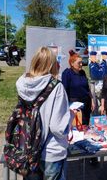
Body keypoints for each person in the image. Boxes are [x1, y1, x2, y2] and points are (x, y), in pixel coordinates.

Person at [16, 46, 74, 180]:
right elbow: (58, 128)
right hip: (51, 152)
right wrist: (70, 115)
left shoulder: (22, 83)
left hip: (28, 148)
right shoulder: (56, 87)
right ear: (52, 64)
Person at [62, 50, 95, 125]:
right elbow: (64, 91)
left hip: (86, 103)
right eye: (79, 63)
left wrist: (92, 100)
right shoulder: (67, 73)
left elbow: (87, 88)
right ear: (72, 64)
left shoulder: (82, 72)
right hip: (74, 105)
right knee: (77, 126)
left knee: (85, 124)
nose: (81, 64)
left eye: (81, 62)